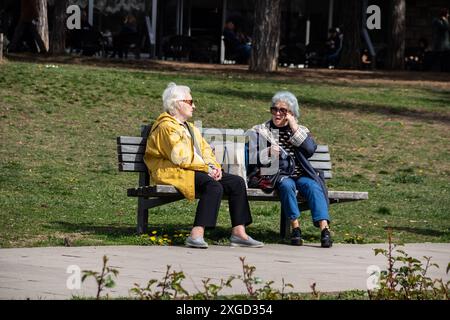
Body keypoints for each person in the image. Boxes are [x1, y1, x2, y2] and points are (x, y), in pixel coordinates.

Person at [144, 83, 263, 249]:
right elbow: (180, 157)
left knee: (236, 182)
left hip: (194, 169)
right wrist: (207, 169)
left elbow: (206, 150)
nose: (194, 106)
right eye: (190, 101)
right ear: (178, 103)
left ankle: (238, 233)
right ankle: (196, 233)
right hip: (173, 171)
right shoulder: (165, 127)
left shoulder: (190, 127)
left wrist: (215, 168)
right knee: (213, 186)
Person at [247, 91, 332, 248]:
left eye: (283, 110)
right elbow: (252, 157)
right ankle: (295, 228)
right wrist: (267, 153)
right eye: (275, 109)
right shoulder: (261, 130)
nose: (277, 113)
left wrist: (293, 127)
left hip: (302, 174)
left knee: (314, 186)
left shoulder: (301, 130)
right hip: (279, 175)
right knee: (286, 186)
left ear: (291, 113)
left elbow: (309, 150)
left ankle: (324, 230)